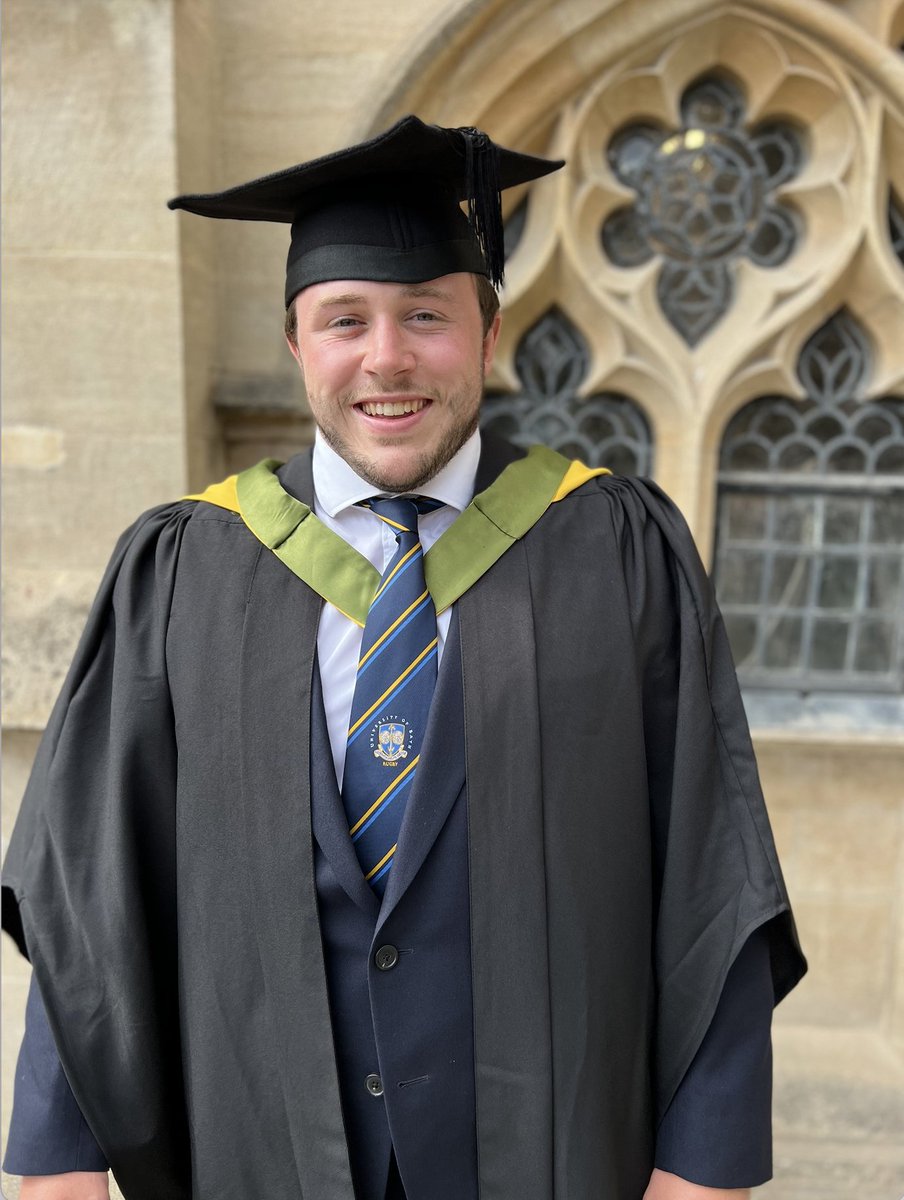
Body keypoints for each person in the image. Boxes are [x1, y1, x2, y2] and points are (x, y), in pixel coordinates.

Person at [2, 116, 806, 1200]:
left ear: (486, 334)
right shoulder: (185, 566)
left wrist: (701, 1172)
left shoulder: (615, 550)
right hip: (263, 1148)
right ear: (297, 344)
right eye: (346, 321)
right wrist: (56, 1162)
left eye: (426, 314)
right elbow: (89, 884)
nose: (386, 357)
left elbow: (714, 873)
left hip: (547, 1157)